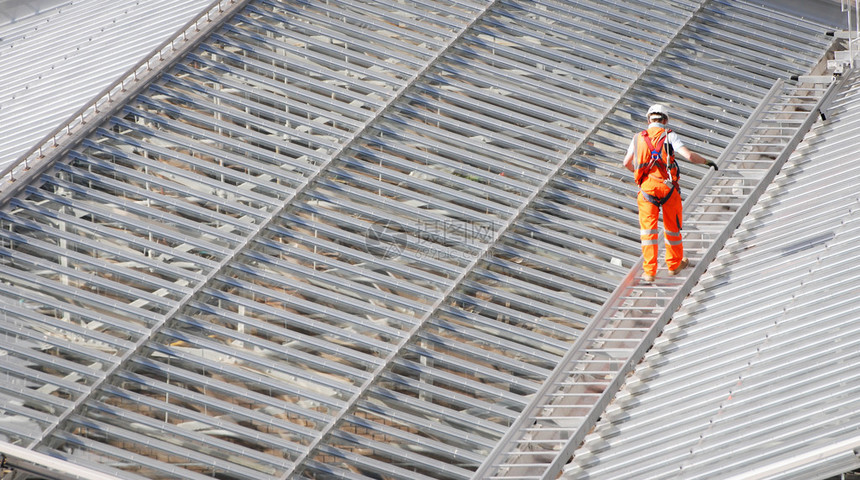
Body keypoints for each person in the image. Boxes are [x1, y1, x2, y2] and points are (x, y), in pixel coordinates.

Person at [623, 104, 718, 283]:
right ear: (665, 120)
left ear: (648, 119)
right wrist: (707, 162)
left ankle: (650, 272)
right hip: (668, 187)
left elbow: (627, 162)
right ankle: (674, 265)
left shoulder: (637, 138)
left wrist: (642, 178)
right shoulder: (670, 135)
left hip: (646, 189)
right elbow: (689, 156)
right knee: (672, 228)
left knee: (648, 231)